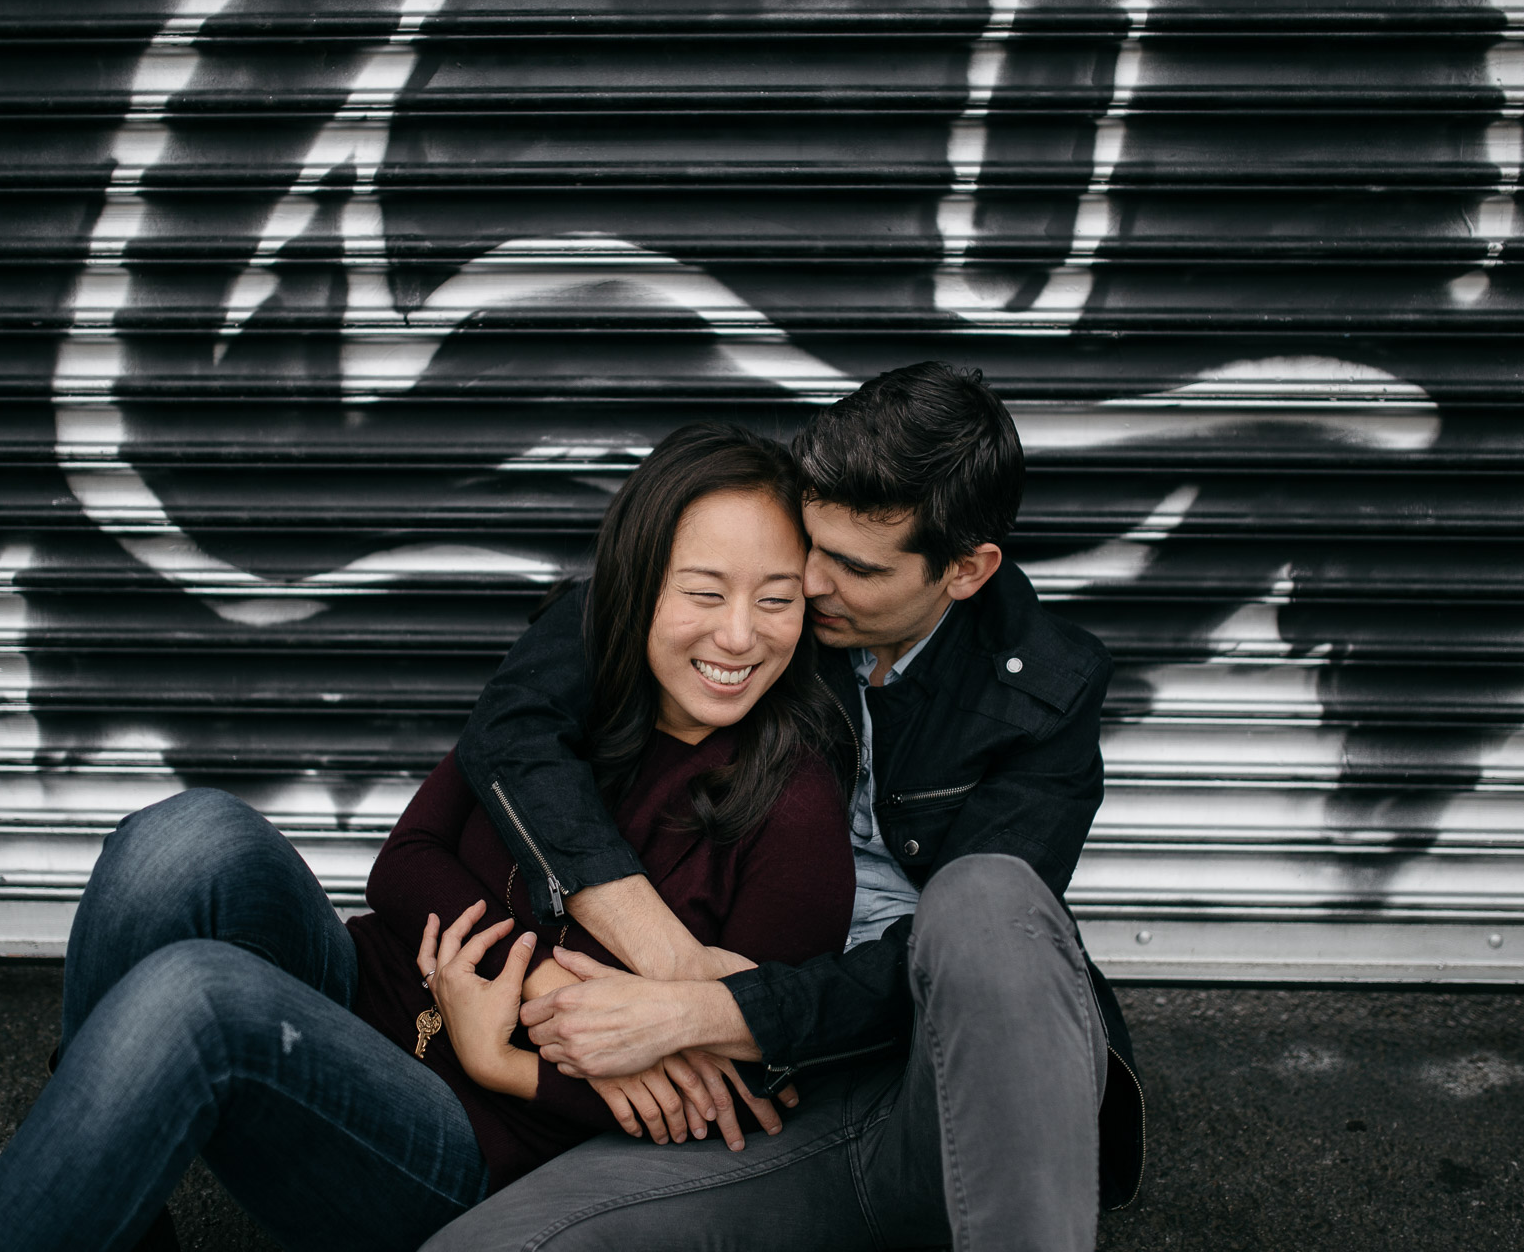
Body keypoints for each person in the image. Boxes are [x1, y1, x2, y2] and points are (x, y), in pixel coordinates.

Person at [0, 424, 855, 1252]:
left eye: (776, 601)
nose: (739, 637)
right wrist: (538, 981)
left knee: (199, 999)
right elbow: (404, 863)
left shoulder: (793, 812)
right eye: (704, 592)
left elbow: (730, 1104)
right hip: (366, 987)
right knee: (185, 837)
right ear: (641, 583)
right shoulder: (565, 694)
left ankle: (78, 1187)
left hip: (465, 1136)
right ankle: (103, 1190)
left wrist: (510, 1060)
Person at [428, 361, 1146, 1252]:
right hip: (778, 1093)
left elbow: (963, 960)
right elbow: (514, 726)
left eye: (853, 567)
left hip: (936, 1069)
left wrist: (705, 1010)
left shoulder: (1046, 696)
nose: (804, 584)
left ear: (966, 570)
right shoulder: (759, 605)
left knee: (987, 898)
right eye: (809, 545)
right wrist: (673, 961)